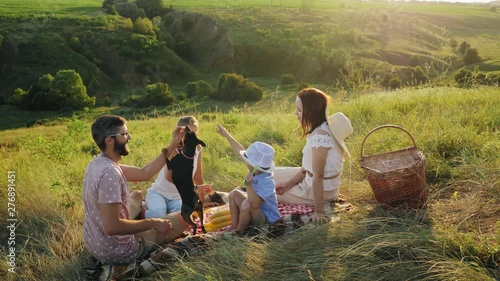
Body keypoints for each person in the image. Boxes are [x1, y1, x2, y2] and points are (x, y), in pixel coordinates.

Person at [82, 114, 190, 265]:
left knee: (138, 195)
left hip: (95, 242)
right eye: (124, 134)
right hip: (118, 250)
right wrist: (153, 222)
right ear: (109, 140)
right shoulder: (110, 174)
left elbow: (145, 173)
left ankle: (142, 216)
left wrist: (173, 144)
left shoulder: (98, 162)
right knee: (188, 214)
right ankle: (147, 228)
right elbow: (112, 227)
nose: (129, 137)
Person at [273, 88, 353, 224]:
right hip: (310, 180)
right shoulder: (319, 129)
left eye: (299, 110)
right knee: (268, 175)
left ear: (311, 111)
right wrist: (288, 184)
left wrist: (319, 211)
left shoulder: (320, 136)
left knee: (269, 193)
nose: (295, 113)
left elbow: (318, 176)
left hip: (320, 191)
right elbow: (306, 168)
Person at [144, 116, 218, 219]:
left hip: (178, 197)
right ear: (180, 134)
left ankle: (167, 210)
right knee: (158, 214)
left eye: (195, 133)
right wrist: (195, 188)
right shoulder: (173, 150)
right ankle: (142, 208)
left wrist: (202, 200)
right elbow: (172, 178)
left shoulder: (197, 148)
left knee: (188, 215)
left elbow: (197, 176)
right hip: (159, 193)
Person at [216, 125, 281, 233]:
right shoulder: (256, 170)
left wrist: (248, 185)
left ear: (255, 165)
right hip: (254, 212)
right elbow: (239, 150)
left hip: (266, 219)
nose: (246, 162)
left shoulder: (267, 181)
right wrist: (226, 135)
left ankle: (239, 231)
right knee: (234, 194)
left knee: (247, 204)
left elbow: (254, 204)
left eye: (248, 161)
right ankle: (234, 225)